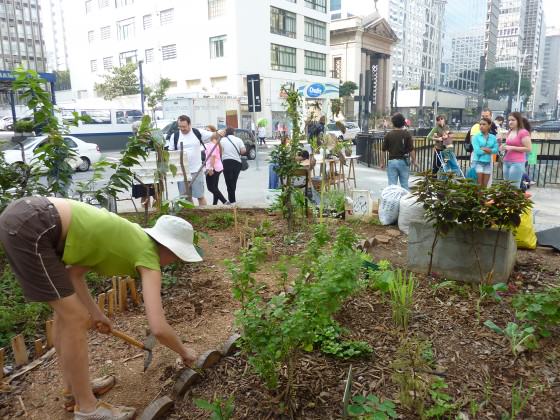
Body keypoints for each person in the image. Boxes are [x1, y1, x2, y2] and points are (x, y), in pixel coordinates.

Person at [0, 197, 201, 419]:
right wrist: (184, 351)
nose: (172, 262)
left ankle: (73, 392)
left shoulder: (127, 237)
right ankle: (88, 409)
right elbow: (159, 328)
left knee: (66, 315)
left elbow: (73, 275)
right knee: (75, 318)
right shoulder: (149, 258)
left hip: (28, 215)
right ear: (169, 249)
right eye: (176, 257)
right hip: (36, 225)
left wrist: (96, 314)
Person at [166, 115, 214, 206]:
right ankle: (191, 214)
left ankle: (203, 215)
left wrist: (220, 132)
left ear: (189, 124)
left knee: (200, 195)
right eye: (180, 126)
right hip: (181, 171)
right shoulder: (175, 136)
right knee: (185, 197)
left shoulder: (197, 132)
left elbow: (214, 135)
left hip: (196, 170)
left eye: (184, 126)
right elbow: (171, 152)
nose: (182, 129)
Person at [380, 113, 416, 190]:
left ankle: (392, 202)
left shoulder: (388, 135)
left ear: (393, 123)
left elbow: (383, 150)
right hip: (403, 162)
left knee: (392, 187)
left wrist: (382, 162)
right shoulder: (407, 134)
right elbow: (411, 149)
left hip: (392, 162)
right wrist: (414, 160)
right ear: (403, 123)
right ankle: (405, 201)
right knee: (404, 185)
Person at [501, 112, 532, 189]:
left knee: (514, 187)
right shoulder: (509, 132)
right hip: (506, 161)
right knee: (506, 185)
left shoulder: (523, 132)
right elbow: (509, 145)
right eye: (509, 120)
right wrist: (503, 146)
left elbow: (528, 148)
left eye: (513, 120)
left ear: (518, 120)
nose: (510, 122)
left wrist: (511, 147)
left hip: (517, 162)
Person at [221, 127, 246, 203]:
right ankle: (232, 199)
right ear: (234, 132)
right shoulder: (238, 140)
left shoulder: (222, 140)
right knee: (234, 181)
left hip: (226, 163)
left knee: (228, 182)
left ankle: (232, 200)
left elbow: (220, 151)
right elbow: (243, 151)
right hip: (237, 163)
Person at [471, 117, 499, 187]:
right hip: (477, 162)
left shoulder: (493, 137)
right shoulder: (476, 137)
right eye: (480, 124)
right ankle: (478, 198)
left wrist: (486, 149)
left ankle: (483, 198)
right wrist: (490, 150)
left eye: (484, 124)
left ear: (489, 125)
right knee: (478, 185)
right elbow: (477, 151)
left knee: (485, 186)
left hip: (487, 163)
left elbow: (496, 150)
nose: (481, 126)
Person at [205, 132, 228, 205]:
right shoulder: (217, 145)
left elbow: (213, 157)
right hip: (218, 167)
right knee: (215, 187)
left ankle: (225, 201)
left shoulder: (211, 145)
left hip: (213, 168)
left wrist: (211, 168)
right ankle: (215, 204)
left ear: (212, 138)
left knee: (211, 188)